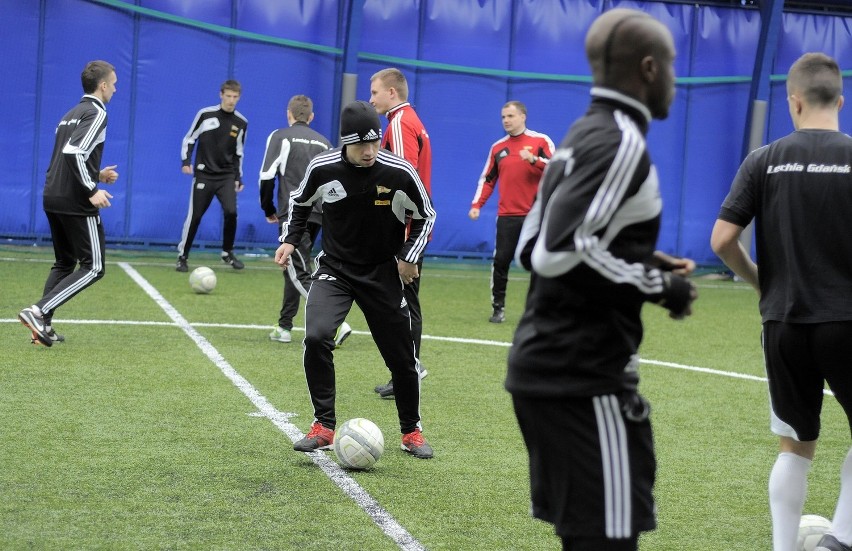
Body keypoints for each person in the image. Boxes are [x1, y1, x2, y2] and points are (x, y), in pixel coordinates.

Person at [505, 9, 698, 550]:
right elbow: (556, 251)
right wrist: (662, 287)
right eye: (672, 66)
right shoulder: (621, 143)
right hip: (584, 377)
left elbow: (531, 245)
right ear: (648, 68)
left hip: (546, 371)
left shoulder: (576, 138)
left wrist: (644, 260)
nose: (676, 80)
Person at [710, 52, 852, 551]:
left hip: (784, 323)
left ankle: (784, 548)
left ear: (793, 103)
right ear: (839, 99)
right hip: (847, 319)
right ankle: (841, 540)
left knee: (795, 445)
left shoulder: (764, 159)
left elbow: (723, 239)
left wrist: (759, 283)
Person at [275, 100, 437, 459]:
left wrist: (409, 258)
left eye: (374, 142)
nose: (369, 151)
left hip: (382, 273)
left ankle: (411, 431)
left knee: (402, 357)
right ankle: (323, 426)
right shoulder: (323, 167)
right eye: (361, 145)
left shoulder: (399, 172)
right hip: (336, 269)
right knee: (316, 336)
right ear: (344, 143)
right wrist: (289, 238)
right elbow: (299, 203)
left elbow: (426, 215)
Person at [18, 60, 119, 347]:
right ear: (102, 86)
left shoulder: (70, 113)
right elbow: (74, 152)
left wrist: (97, 174)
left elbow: (69, 155)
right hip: (76, 199)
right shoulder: (97, 112)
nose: (115, 88)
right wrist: (91, 188)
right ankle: (38, 311)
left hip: (53, 194)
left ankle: (42, 327)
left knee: (64, 261)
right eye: (113, 83)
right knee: (94, 267)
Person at [369, 67, 432, 398]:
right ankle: (404, 372)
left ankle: (410, 369)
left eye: (375, 92)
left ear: (391, 92)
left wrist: (405, 245)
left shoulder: (399, 122)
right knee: (399, 302)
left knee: (402, 303)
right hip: (409, 230)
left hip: (405, 231)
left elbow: (406, 181)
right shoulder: (412, 120)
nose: (371, 99)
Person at [469, 100, 555, 323]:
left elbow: (558, 169)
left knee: (540, 262)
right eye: (503, 117)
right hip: (507, 216)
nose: (506, 120)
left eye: (510, 116)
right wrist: (477, 205)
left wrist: (535, 160)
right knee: (501, 261)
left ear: (523, 117)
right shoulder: (498, 148)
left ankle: (539, 309)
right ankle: (498, 308)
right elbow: (487, 180)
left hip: (536, 216)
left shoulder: (540, 141)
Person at [259, 94, 333, 344]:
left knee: (298, 270)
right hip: (319, 215)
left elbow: (267, 177)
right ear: (311, 117)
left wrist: (268, 209)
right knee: (294, 266)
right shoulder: (324, 143)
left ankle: (335, 321)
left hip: (292, 213)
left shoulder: (279, 135)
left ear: (288, 114)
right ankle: (284, 326)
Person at [176, 79, 248, 272]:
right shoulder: (205, 115)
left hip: (226, 176)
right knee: (195, 216)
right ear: (221, 95)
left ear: (239, 97)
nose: (231, 100)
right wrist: (186, 161)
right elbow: (190, 138)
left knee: (231, 212)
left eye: (235, 97)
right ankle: (183, 256)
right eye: (228, 96)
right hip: (204, 175)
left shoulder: (241, 123)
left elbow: (238, 153)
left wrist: (238, 178)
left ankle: (227, 253)